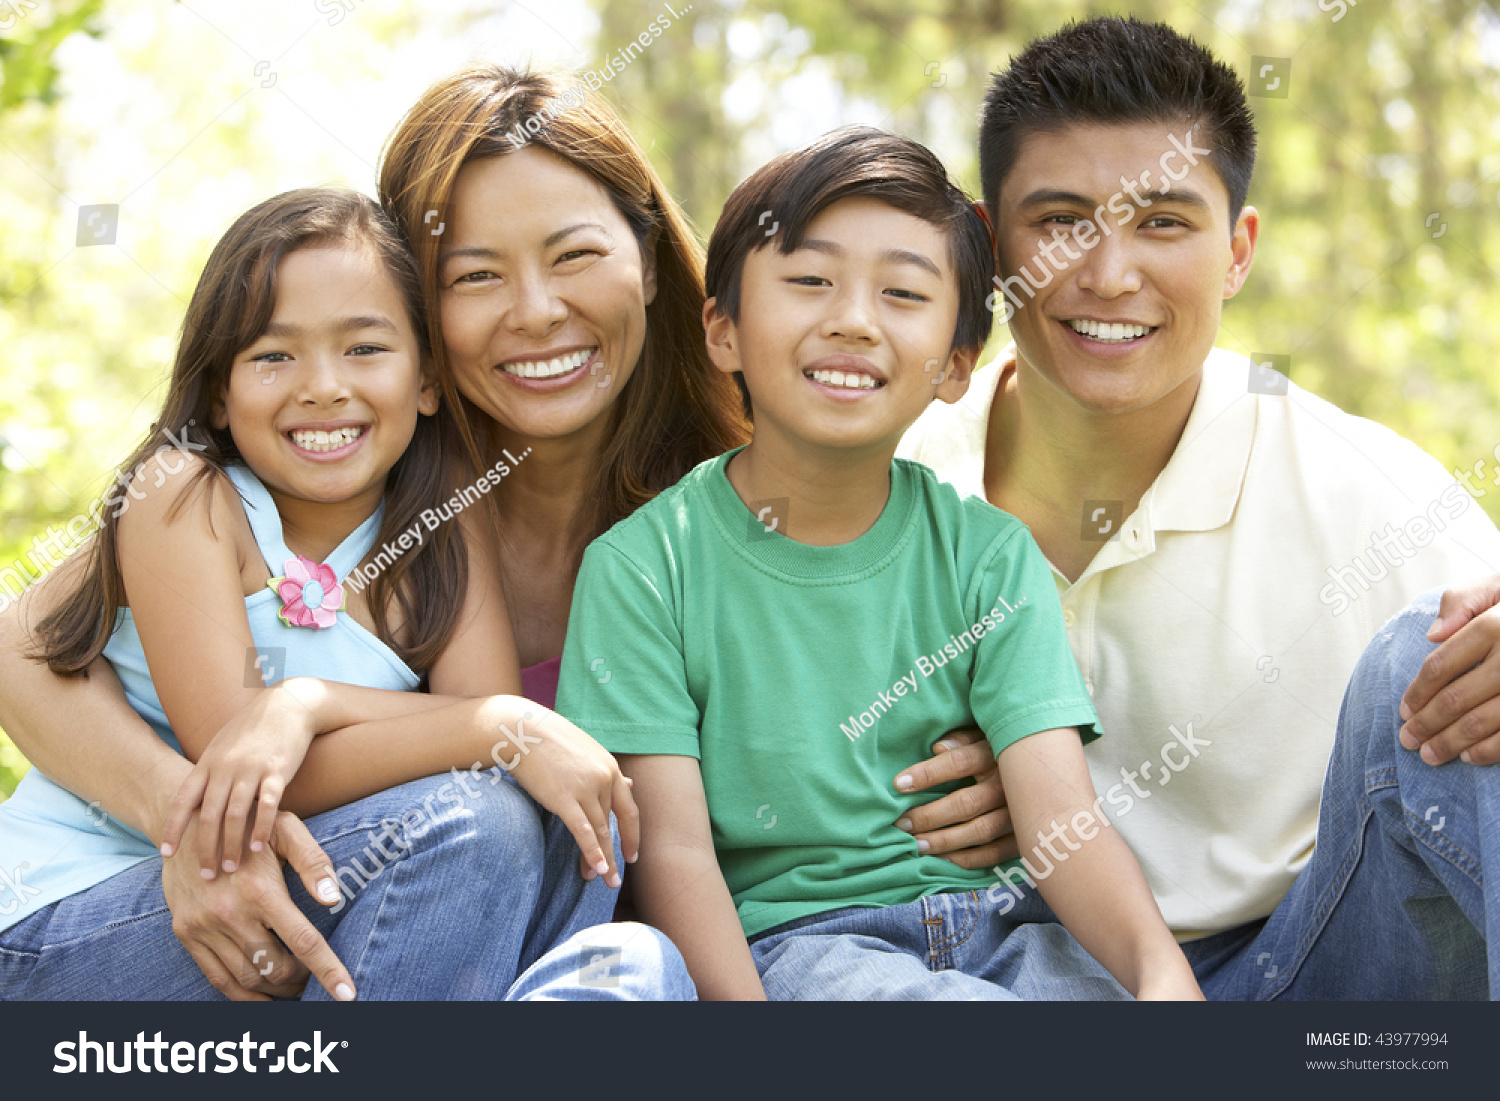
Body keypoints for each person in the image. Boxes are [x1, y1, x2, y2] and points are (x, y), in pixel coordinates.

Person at [0, 67, 1008, 999]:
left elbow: (950, 634)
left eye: (575, 256)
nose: (537, 311)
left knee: (622, 947)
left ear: (650, 261)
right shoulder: (338, 496)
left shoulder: (750, 497)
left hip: (625, 947)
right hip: (273, 911)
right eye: (475, 275)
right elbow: (26, 648)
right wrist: (199, 826)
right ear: (414, 301)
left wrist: (1008, 763)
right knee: (498, 822)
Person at [898, 15, 1500, 998]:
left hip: (1320, 969)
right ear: (985, 240)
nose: (1109, 275)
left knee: (1455, 666)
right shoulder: (885, 476)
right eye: (1060, 221)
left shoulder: (1366, 494)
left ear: (1237, 250)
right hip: (1022, 977)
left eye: (1164, 221)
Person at [554, 126, 1204, 1000]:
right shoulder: (643, 568)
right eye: (810, 281)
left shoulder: (989, 555)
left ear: (957, 364)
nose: (853, 321)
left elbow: (1065, 821)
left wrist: (1162, 976)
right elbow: (671, 853)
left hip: (1008, 932)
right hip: (805, 950)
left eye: (903, 293)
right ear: (724, 330)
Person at [0, 186, 685, 1000]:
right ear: (219, 391)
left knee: (601, 887)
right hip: (74, 920)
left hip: (306, 886)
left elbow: (495, 741)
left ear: (428, 380)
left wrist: (314, 703)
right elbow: (244, 762)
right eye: (273, 356)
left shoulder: (442, 524)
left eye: (364, 348)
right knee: (478, 821)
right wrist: (499, 723)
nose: (323, 387)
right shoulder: (183, 496)